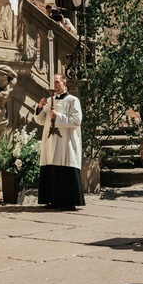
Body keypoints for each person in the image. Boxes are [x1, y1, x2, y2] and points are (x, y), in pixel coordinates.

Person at [35, 73, 85, 210]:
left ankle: (68, 202)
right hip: (50, 140)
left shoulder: (72, 100)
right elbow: (40, 121)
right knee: (51, 165)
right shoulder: (49, 100)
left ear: (64, 83)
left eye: (57, 82)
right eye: (53, 82)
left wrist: (58, 116)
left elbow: (76, 120)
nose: (55, 85)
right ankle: (52, 200)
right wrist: (40, 107)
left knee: (64, 165)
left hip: (66, 141)